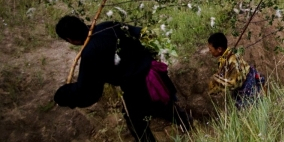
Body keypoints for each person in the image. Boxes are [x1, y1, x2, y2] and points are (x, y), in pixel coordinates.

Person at [53, 16, 191, 142]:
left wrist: (64, 94)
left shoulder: (90, 53)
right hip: (153, 73)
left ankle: (187, 127)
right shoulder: (110, 26)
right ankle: (189, 125)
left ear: (70, 39)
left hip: (136, 87)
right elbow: (142, 33)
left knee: (136, 121)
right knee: (162, 108)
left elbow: (88, 89)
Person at [207, 32, 265, 108]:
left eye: (211, 50)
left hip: (247, 85)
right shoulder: (225, 59)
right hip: (242, 86)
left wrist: (218, 81)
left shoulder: (232, 60)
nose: (209, 51)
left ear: (219, 49)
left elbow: (234, 84)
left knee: (249, 109)